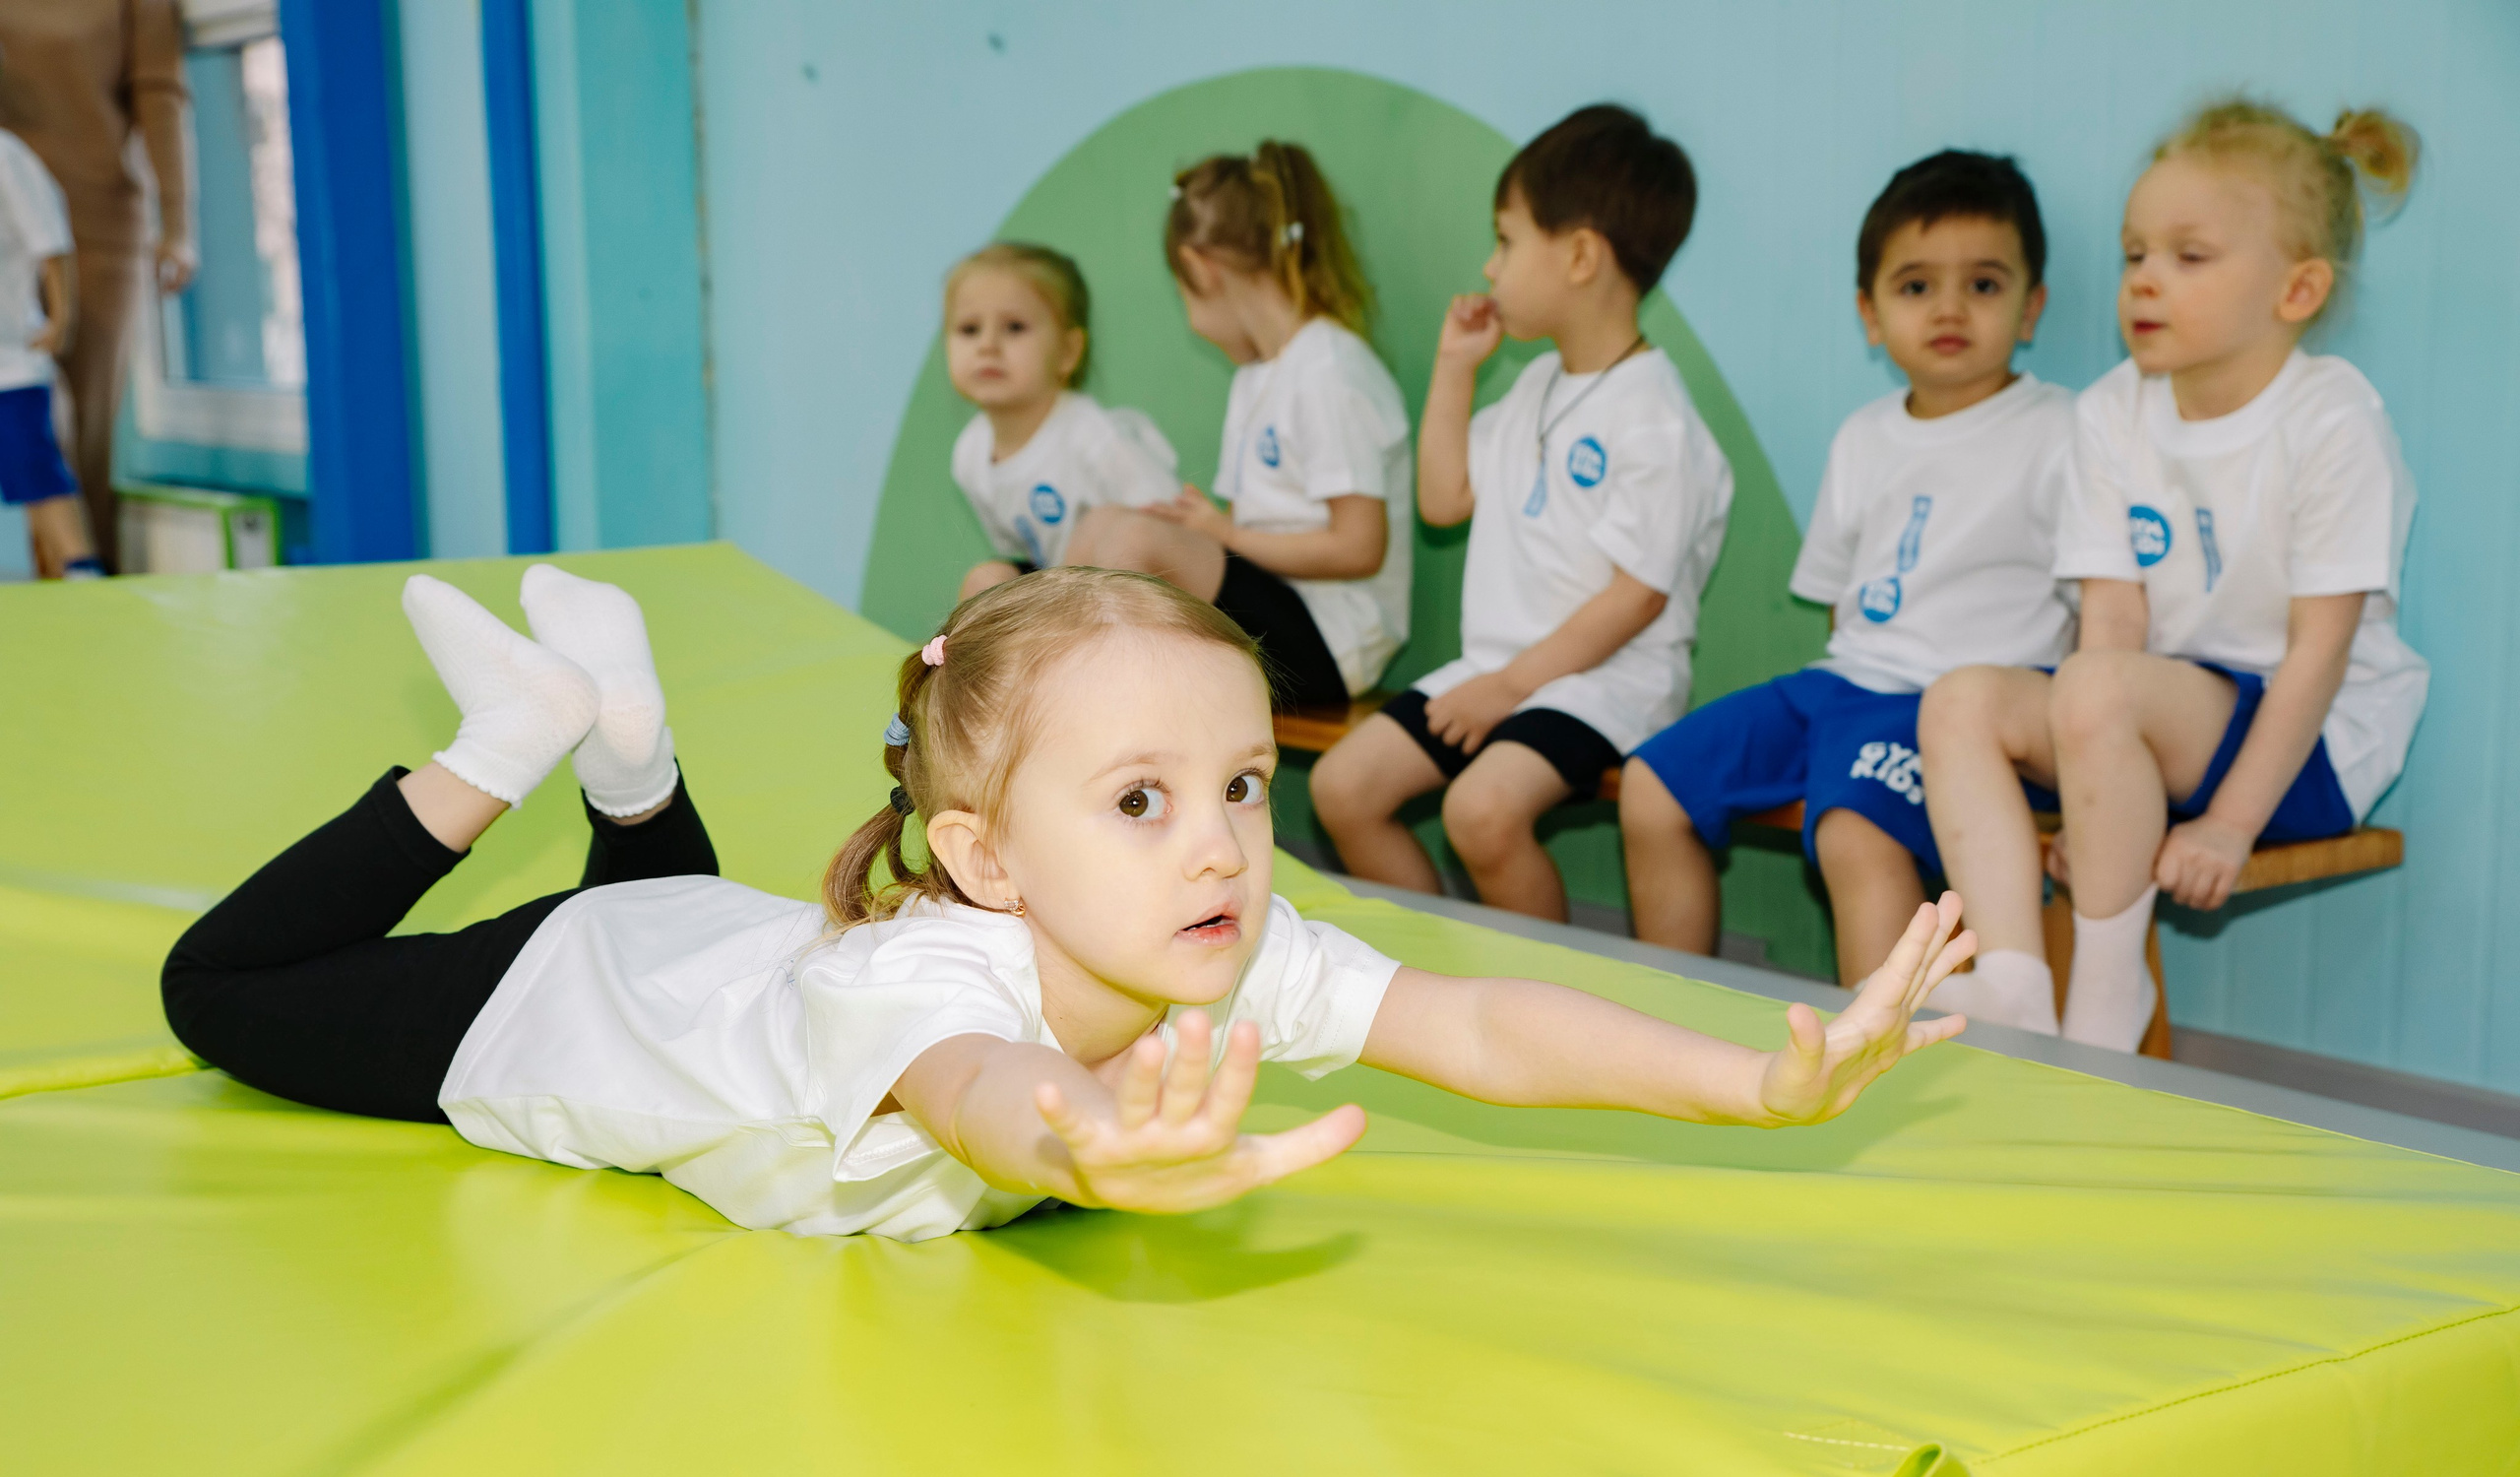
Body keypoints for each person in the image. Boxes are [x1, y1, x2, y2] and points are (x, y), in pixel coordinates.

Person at [160, 565, 1977, 1244]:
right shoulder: (934, 982)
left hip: (716, 939)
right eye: (1141, 800)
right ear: (985, 856)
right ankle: (509, 744)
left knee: (676, 905)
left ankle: (629, 740)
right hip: (560, 1000)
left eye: (1245, 788)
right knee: (220, 989)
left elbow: (1480, 1017)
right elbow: (981, 1092)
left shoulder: (1216, 930)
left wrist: (1760, 1077)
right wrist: (1088, 1143)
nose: (1220, 845)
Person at [1921, 99, 2426, 1050]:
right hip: (2157, 713)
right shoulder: (2115, 411)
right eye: (2134, 254)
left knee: (2102, 688)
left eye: (2189, 258)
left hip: (2308, 740)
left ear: (2298, 290)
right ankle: (2015, 984)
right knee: (1960, 702)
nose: (2146, 281)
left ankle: (2108, 1005)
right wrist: (2087, 791)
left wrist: (2231, 825)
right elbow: (2109, 623)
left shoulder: (2332, 421)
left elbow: (2320, 653)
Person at [1621, 152, 2073, 985]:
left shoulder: (2064, 432)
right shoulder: (1863, 434)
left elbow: (2099, 617)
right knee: (1652, 784)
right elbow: (1840, 605)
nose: (1948, 308)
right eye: (1914, 287)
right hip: (1842, 683)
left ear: (2031, 305)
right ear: (1870, 315)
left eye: (1983, 284)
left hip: (1953, 709)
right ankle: (1672, 1022)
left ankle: (1879, 1071)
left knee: (1854, 833)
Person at [1312, 104, 1731, 923]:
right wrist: (1454, 370)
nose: (1489, 264)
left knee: (1481, 811)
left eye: (1505, 240)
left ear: (1579, 256)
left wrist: (1507, 687)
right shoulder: (1533, 383)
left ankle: (1537, 1005)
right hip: (1499, 671)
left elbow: (1636, 597)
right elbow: (1443, 501)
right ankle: (1435, 975)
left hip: (1607, 685)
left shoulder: (1655, 414)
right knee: (1344, 786)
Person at [1071, 141, 1411, 711]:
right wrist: (1208, 527)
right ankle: (1060, 692)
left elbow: (1360, 547)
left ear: (1203, 267)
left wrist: (1225, 535)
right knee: (1107, 521)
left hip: (1335, 640)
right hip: (1282, 604)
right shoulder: (1257, 374)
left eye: (1183, 292)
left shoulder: (1329, 369)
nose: (1190, 315)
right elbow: (1266, 525)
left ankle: (1085, 712)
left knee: (1134, 539)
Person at [0, 5, 195, 574]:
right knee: (29, 443)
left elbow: (161, 95)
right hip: (6, 224)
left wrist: (178, 226)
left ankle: (89, 609)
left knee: (77, 444)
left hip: (100, 222)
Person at [944, 243, 1180, 602]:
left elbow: (1170, 534)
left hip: (1143, 605)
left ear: (1068, 352)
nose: (987, 345)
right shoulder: (969, 453)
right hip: (1067, 598)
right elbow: (1022, 555)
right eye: (969, 328)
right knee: (985, 581)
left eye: (1014, 327)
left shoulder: (1099, 439)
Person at [0, 125, 100, 578]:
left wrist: (62, 318)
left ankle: (82, 583)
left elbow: (50, 239)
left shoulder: (7, 157)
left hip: (10, 365)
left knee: (36, 477)